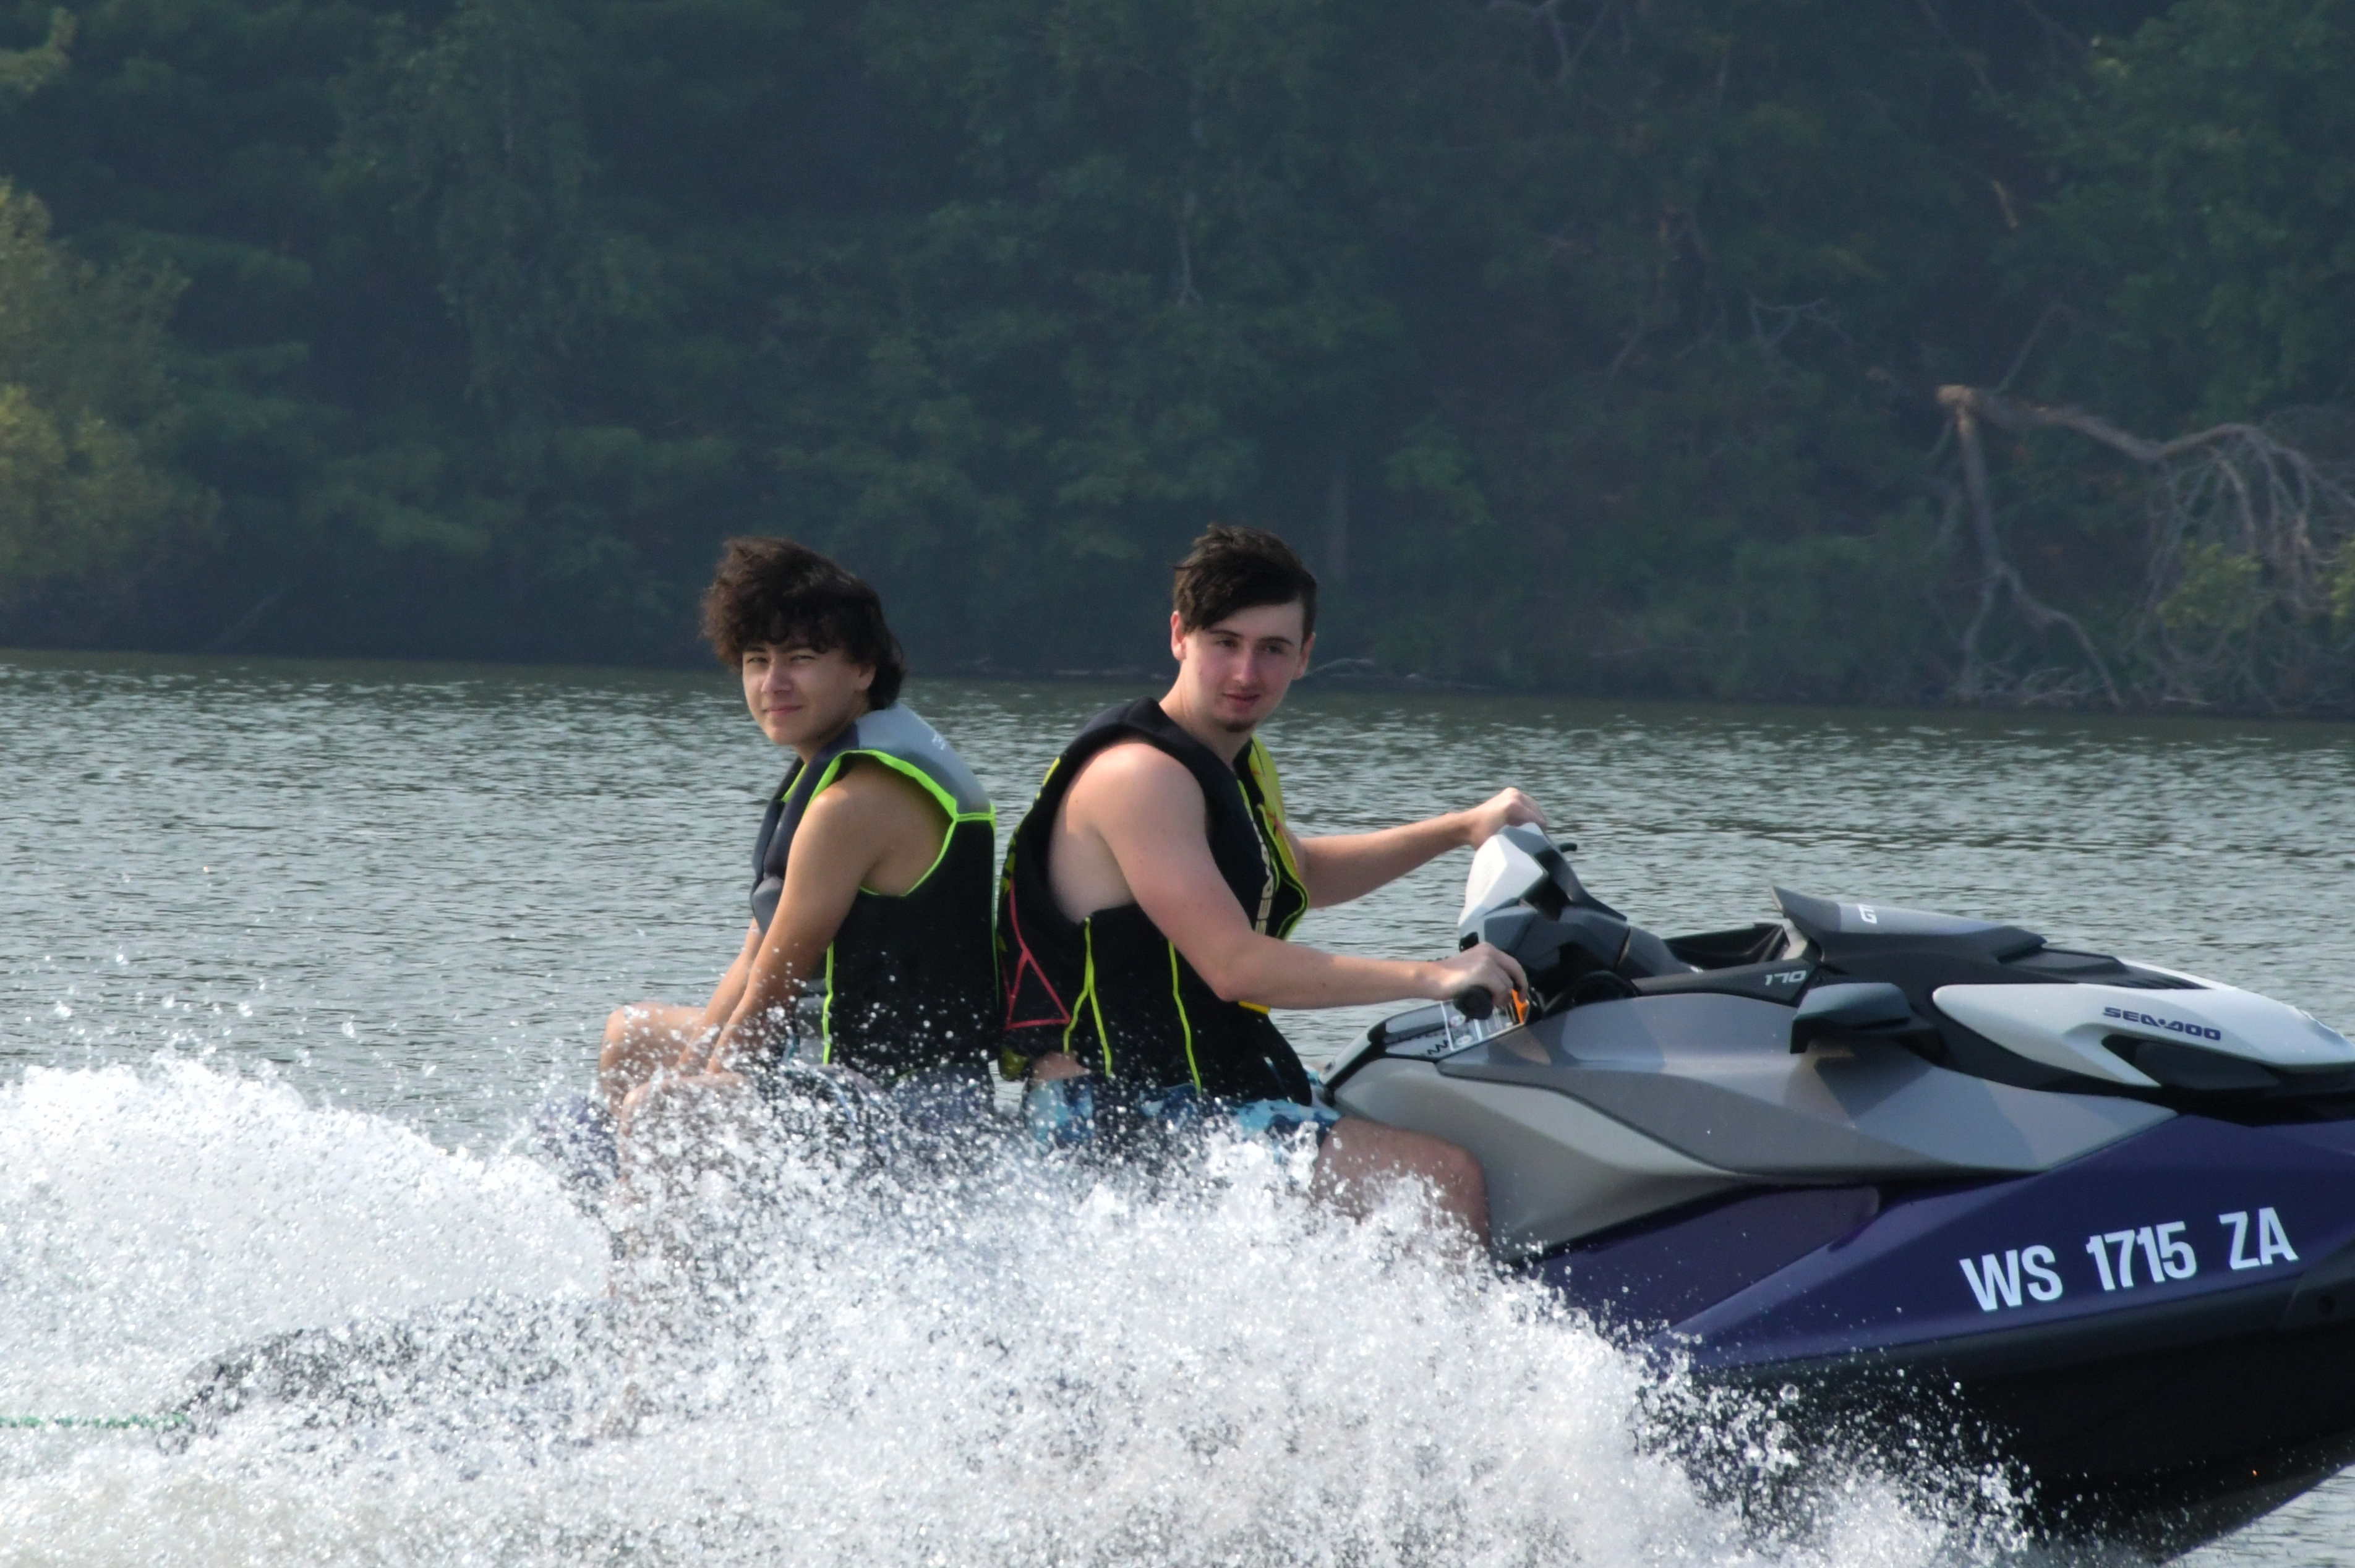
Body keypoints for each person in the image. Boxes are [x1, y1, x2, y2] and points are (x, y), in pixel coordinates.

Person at [996, 525, 1542, 1247]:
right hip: (1111, 1116)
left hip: (1197, 1091)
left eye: (1272, 649)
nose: (1246, 672)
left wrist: (1462, 828)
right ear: (1179, 636)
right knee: (1439, 1178)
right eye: (1224, 642)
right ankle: (1464, 1330)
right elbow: (1234, 966)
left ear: (1305, 655)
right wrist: (1435, 975)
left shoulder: (1234, 764)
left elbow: (1300, 874)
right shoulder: (1141, 777)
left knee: (1412, 1095)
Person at [598, 537, 998, 1153]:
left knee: (667, 1111)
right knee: (629, 1034)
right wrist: (691, 1069)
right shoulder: (828, 774)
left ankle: (653, 1215)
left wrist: (697, 1095)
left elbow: (772, 993)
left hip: (908, 1102)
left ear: (863, 669)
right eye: (756, 660)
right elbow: (754, 958)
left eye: (801, 658)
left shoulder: (855, 802)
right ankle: (640, 1187)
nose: (773, 683)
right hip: (830, 1071)